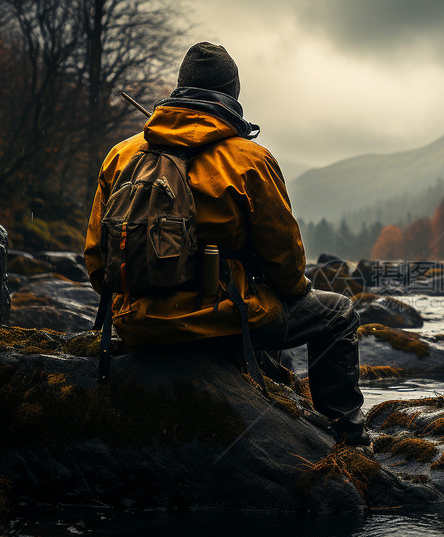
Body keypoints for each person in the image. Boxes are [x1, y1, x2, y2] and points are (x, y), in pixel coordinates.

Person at [84, 42, 369, 446]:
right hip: (220, 322)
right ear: (231, 95)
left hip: (136, 322)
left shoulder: (122, 154)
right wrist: (292, 291)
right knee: (339, 314)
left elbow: (97, 261)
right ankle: (347, 436)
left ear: (180, 88)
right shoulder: (250, 159)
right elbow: (286, 266)